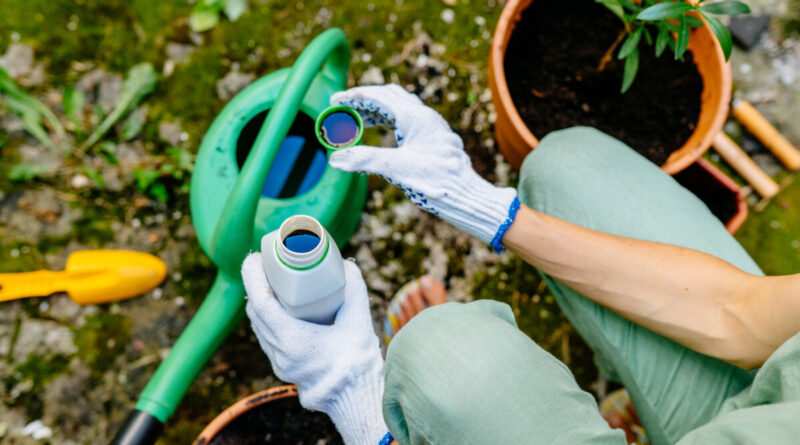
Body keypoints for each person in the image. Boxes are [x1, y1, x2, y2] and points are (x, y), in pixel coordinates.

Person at [241, 84, 800, 445]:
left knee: (444, 360)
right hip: (768, 402)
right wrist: (481, 205)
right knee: (571, 167)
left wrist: (355, 403)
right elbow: (741, 316)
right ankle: (637, 418)